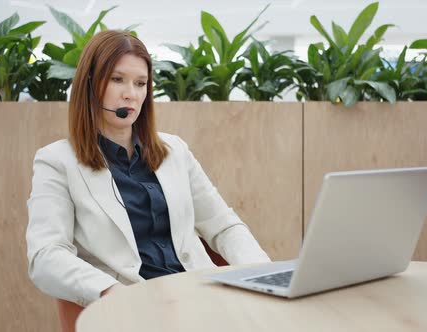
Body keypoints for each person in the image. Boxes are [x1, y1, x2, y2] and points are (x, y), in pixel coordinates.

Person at [25, 30, 270, 307]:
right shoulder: (57, 162)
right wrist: (111, 291)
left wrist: (263, 275)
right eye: (117, 80)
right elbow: (46, 256)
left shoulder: (174, 151)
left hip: (199, 298)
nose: (131, 94)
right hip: (134, 306)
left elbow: (224, 226)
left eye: (140, 83)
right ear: (90, 84)